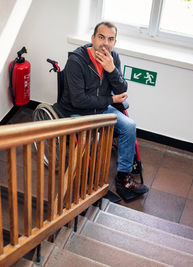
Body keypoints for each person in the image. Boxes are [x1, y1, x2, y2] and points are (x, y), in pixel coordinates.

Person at [55, 21, 148, 195]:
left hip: (103, 109)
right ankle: (89, 181)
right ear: (92, 39)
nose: (105, 43)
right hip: (77, 112)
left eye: (110, 39)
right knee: (95, 139)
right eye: (101, 37)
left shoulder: (114, 58)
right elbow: (78, 101)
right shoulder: (77, 61)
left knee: (129, 126)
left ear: (115, 42)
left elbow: (122, 89)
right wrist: (111, 99)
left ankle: (123, 177)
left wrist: (111, 69)